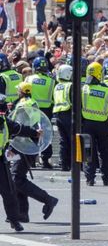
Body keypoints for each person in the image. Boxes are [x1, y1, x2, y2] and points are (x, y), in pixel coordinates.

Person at [10, 84, 58, 223]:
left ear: (21, 92)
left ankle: (48, 199)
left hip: (25, 144)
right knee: (18, 177)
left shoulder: (23, 105)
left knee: (16, 178)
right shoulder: (31, 102)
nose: (16, 92)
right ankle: (22, 213)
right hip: (26, 144)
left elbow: (20, 126)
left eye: (17, 90)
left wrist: (13, 146)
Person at [0, 93, 44, 232]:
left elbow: (19, 128)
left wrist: (35, 133)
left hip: (1, 161)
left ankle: (14, 220)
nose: (5, 107)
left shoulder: (4, 121)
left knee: (9, 192)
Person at [81, 62, 108, 186]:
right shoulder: (107, 91)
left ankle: (89, 178)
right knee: (105, 152)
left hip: (87, 125)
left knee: (88, 152)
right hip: (103, 125)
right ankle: (106, 178)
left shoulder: (82, 89)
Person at [25, 56, 55, 168]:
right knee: (46, 135)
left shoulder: (28, 79)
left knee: (32, 133)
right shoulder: (51, 81)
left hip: (32, 109)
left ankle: (31, 160)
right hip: (46, 110)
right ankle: (46, 161)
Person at [53, 64, 73, 171]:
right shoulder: (70, 85)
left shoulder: (57, 86)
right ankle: (74, 164)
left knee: (63, 141)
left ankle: (64, 164)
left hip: (58, 115)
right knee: (72, 140)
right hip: (68, 114)